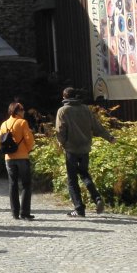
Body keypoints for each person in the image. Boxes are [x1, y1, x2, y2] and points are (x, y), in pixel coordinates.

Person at [55, 87, 116, 217]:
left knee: (72, 180)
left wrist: (61, 143)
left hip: (71, 149)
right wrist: (109, 137)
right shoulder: (85, 109)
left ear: (64, 97)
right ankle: (97, 198)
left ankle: (79, 208)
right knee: (84, 174)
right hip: (85, 148)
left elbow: (61, 130)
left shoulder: (63, 111)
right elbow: (97, 126)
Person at [0, 102, 36, 220]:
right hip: (22, 157)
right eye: (22, 109)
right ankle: (24, 213)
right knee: (26, 184)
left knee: (13, 184)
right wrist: (27, 150)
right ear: (17, 111)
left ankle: (15, 212)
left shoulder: (4, 124)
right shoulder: (23, 122)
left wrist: (7, 151)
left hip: (9, 158)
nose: (24, 111)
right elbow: (29, 140)